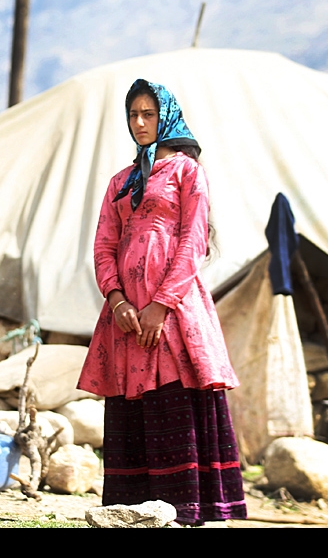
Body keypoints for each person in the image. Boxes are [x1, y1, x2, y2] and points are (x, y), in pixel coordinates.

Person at [77, 79, 247, 526]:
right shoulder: (120, 181)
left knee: (175, 393)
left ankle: (187, 509)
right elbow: (103, 245)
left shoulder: (187, 172)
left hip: (173, 309)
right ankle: (133, 509)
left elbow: (193, 239)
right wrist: (117, 301)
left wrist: (161, 304)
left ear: (165, 116)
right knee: (132, 404)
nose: (139, 123)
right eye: (133, 114)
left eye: (147, 114)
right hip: (125, 318)